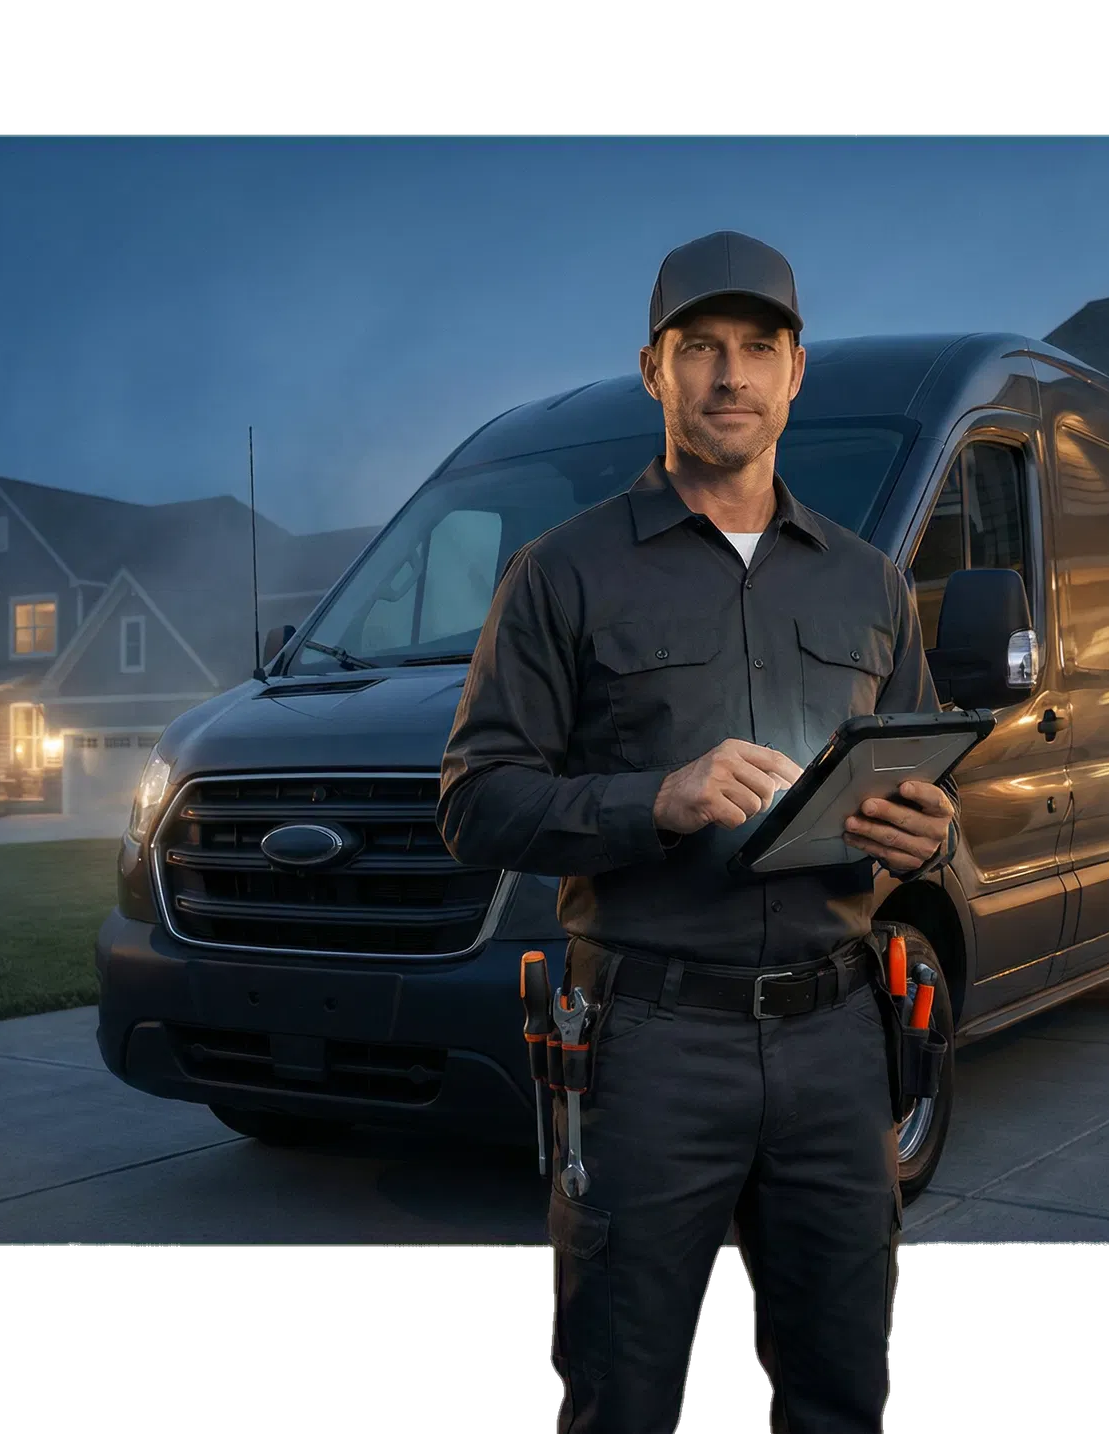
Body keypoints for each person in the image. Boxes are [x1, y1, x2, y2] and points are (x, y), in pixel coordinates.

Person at [438, 230, 960, 1433]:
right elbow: (474, 803)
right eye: (701, 348)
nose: (731, 374)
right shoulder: (557, 576)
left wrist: (925, 835)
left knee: (843, 1397)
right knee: (622, 1399)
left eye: (758, 348)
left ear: (796, 373)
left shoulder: (870, 584)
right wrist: (654, 800)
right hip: (649, 1045)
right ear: (653, 369)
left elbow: (923, 778)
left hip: (839, 1038)